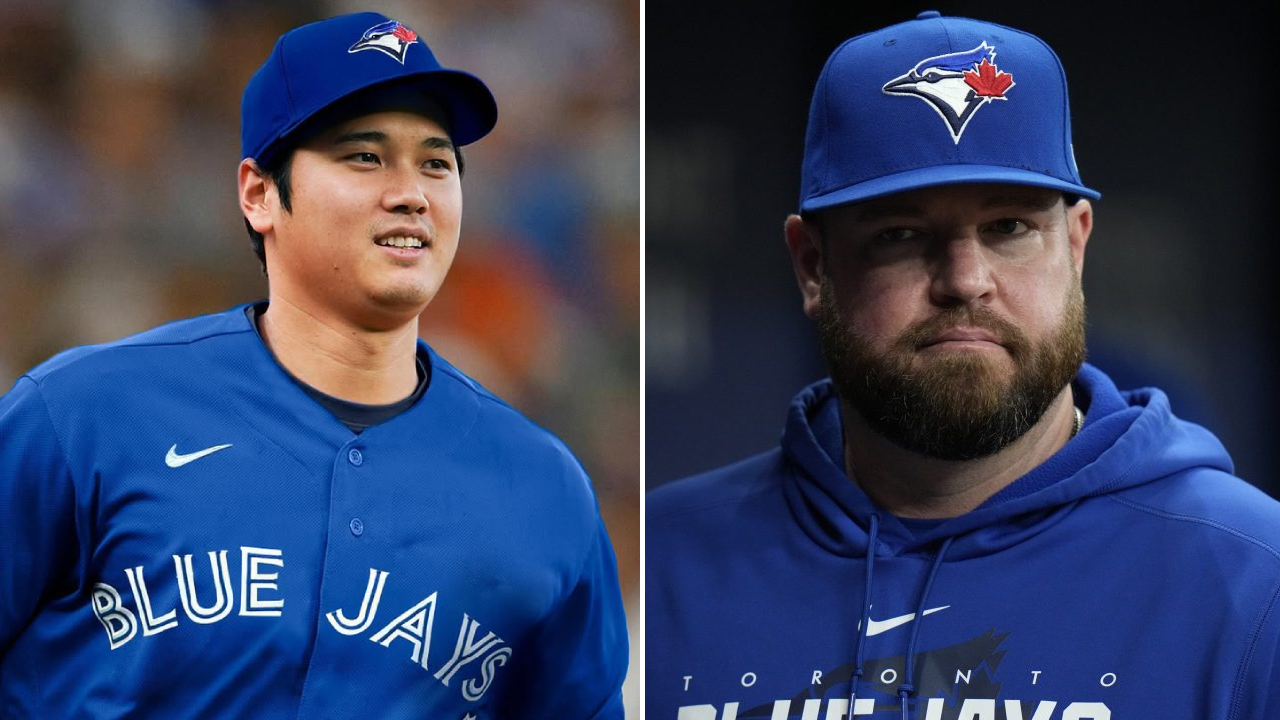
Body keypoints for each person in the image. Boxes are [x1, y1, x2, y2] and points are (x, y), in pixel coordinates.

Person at [647, 10, 1280, 720]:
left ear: (1075, 246)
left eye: (1009, 226)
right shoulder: (658, 565)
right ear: (813, 266)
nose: (965, 279)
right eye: (901, 233)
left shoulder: (1255, 582)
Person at [0, 12, 627, 719]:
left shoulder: (544, 489)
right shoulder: (81, 415)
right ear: (259, 194)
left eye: (436, 162)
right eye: (364, 156)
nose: (411, 192)